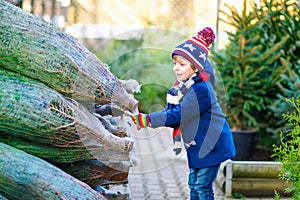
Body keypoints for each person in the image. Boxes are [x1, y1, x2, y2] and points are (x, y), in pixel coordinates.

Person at [131, 27, 236, 200]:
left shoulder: (200, 90)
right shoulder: (184, 88)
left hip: (212, 144)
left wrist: (148, 119)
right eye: (175, 64)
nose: (176, 68)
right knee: (193, 183)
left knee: (202, 186)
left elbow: (178, 115)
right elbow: (171, 113)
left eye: (182, 64)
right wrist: (147, 120)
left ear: (195, 68)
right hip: (199, 144)